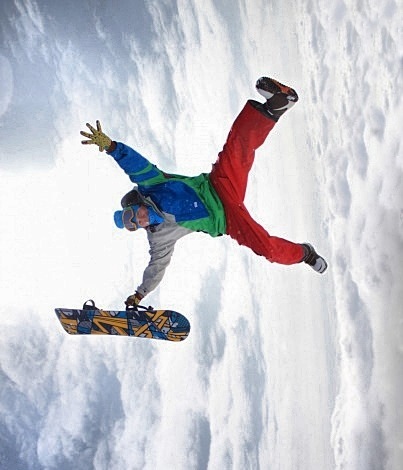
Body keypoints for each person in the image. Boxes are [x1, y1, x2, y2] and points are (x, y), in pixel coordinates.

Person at [80, 76, 327, 307]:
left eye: (132, 215)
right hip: (226, 220)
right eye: (132, 225)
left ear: (137, 204)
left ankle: (276, 105)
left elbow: (135, 166)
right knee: (268, 249)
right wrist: (140, 294)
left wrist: (112, 147)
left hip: (217, 184)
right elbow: (156, 267)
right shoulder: (159, 237)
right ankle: (305, 254)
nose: (138, 221)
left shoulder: (152, 186)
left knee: (237, 146)